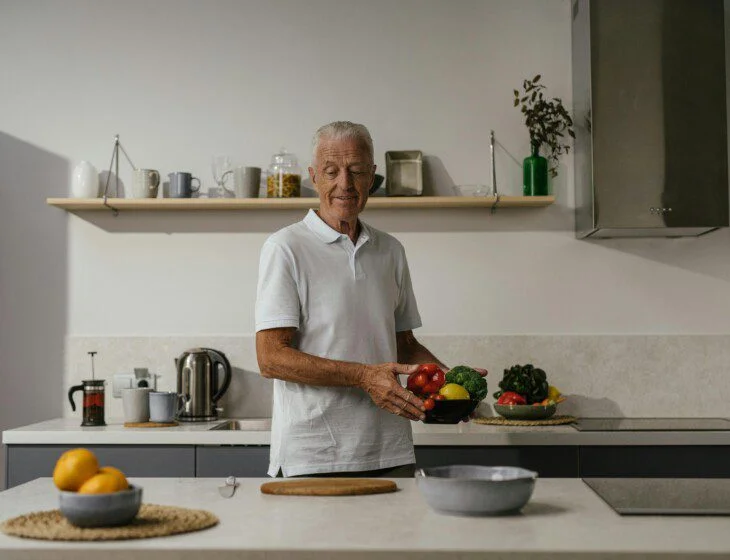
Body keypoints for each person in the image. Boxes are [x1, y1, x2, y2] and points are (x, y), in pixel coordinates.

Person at [255, 121, 476, 478]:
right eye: (332, 171)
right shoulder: (285, 248)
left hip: (390, 451)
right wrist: (363, 376)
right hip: (313, 456)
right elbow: (270, 358)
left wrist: (453, 381)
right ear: (314, 176)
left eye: (357, 171)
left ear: (372, 176)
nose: (345, 183)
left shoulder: (391, 250)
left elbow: (402, 343)